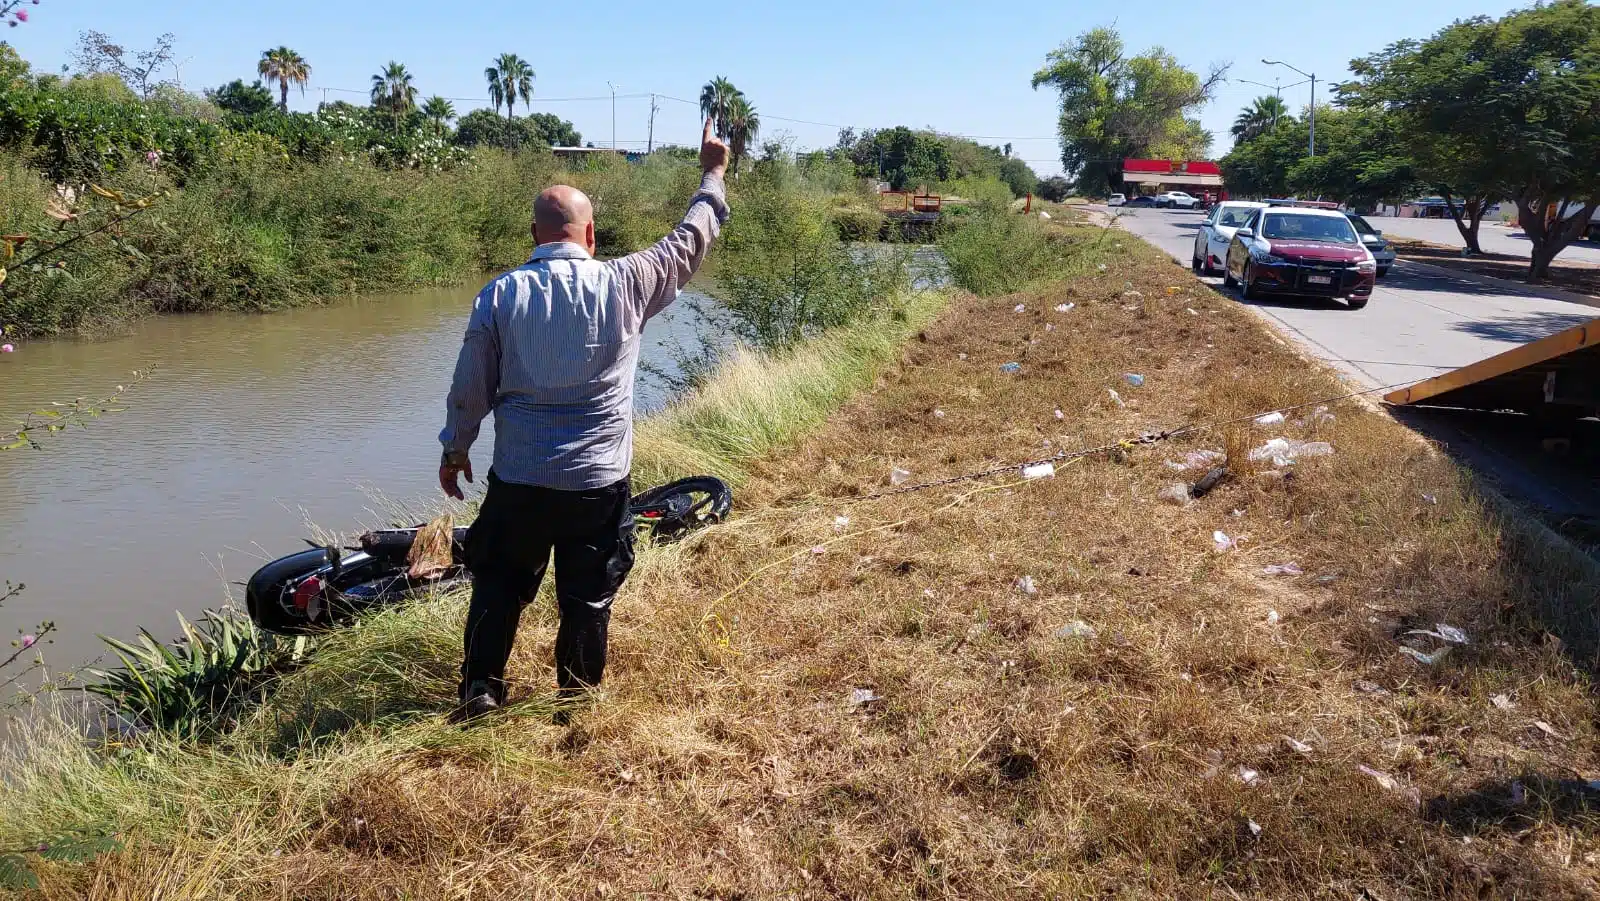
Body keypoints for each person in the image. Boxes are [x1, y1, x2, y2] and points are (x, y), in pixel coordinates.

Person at [438, 118, 730, 721]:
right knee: (587, 595)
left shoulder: (500, 294)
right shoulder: (625, 283)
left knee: (497, 582)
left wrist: (454, 448)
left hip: (519, 476)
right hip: (597, 483)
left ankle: (482, 691)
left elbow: (471, 385)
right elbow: (688, 241)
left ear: (535, 235)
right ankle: (575, 702)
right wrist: (713, 173)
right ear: (590, 234)